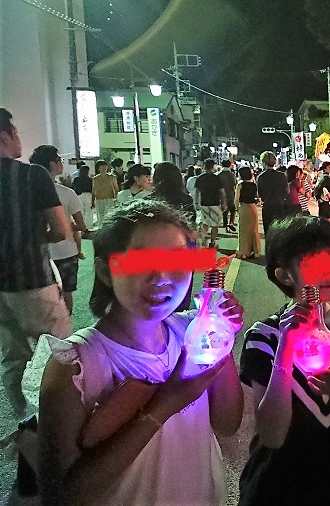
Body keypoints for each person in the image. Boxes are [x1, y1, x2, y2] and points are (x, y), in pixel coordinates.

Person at [38, 198, 245, 505]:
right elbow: (62, 497)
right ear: (105, 271)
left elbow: (228, 423)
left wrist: (221, 336)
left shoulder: (193, 334)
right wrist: (164, 404)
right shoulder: (76, 367)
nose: (161, 277)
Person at [238, 215, 330, 505]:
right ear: (284, 275)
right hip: (273, 488)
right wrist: (285, 349)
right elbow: (271, 436)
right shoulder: (263, 337)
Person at [0, 108, 72, 417]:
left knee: (13, 356)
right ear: (5, 136)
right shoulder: (31, 175)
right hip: (32, 280)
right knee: (60, 351)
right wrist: (33, 238)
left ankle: (24, 419)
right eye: (15, 132)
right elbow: (60, 229)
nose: (19, 139)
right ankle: (61, 419)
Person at [30, 145, 88, 314]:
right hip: (66, 253)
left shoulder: (27, 192)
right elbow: (81, 226)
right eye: (59, 160)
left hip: (38, 253)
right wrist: (65, 225)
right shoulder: (67, 193)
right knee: (66, 294)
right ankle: (66, 327)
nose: (62, 163)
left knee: (42, 296)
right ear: (52, 164)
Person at [152, 162, 197, 311]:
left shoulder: (152, 200)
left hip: (157, 248)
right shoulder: (185, 199)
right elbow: (191, 223)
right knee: (182, 285)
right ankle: (180, 315)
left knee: (159, 283)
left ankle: (161, 314)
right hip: (184, 247)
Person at [256, 151, 291, 235]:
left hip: (267, 207)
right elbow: (287, 191)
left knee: (268, 232)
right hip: (280, 206)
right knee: (280, 231)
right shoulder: (281, 175)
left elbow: (259, 194)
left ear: (263, 162)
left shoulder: (260, 177)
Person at [195, 159, 226, 249]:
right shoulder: (216, 178)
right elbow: (222, 192)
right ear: (213, 166)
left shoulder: (200, 178)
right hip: (215, 204)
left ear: (204, 166)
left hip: (203, 204)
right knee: (215, 225)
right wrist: (224, 203)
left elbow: (197, 192)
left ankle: (202, 243)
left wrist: (196, 203)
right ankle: (212, 242)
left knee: (204, 225)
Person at [235, 166, 261, 260]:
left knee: (243, 231)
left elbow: (236, 199)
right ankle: (256, 251)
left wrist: (237, 209)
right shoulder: (254, 185)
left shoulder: (240, 185)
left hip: (244, 207)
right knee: (254, 230)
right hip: (252, 208)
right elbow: (258, 198)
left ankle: (244, 252)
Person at [91, 160, 118, 229]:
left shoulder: (112, 177)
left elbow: (116, 189)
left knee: (109, 216)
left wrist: (116, 199)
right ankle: (101, 230)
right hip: (99, 200)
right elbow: (93, 190)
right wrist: (92, 201)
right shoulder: (95, 178)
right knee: (100, 217)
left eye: (105, 167)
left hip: (110, 199)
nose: (104, 169)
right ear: (98, 168)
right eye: (102, 167)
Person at [72, 165, 94, 232]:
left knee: (81, 212)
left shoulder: (76, 179)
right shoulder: (90, 180)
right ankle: (89, 227)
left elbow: (73, 187)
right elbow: (92, 189)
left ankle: (82, 227)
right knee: (89, 212)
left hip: (79, 196)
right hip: (88, 195)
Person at [218, 159, 237, 233]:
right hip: (230, 194)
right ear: (229, 165)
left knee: (224, 211)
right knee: (232, 210)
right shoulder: (232, 174)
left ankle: (226, 226)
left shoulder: (219, 175)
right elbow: (234, 184)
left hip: (221, 195)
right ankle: (231, 223)